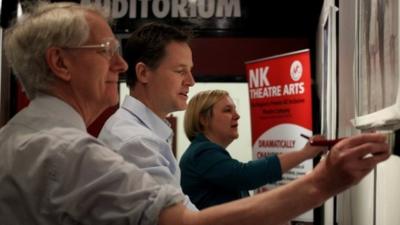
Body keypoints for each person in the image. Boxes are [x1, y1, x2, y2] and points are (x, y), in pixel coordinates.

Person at [0, 2, 391, 225]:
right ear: (60, 64)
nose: (117, 65)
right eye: (105, 50)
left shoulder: (18, 140)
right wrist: (324, 181)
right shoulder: (80, 151)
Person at [98, 22, 197, 210]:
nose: (191, 81)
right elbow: (180, 219)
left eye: (190, 71)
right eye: (180, 71)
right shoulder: (136, 142)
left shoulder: (139, 132)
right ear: (143, 73)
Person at [179, 90, 325, 209]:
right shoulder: (201, 153)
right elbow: (245, 175)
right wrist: (305, 153)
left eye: (235, 110)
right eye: (227, 110)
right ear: (204, 119)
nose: (237, 116)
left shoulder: (207, 152)